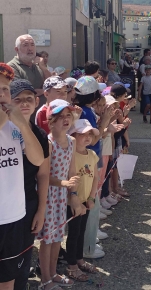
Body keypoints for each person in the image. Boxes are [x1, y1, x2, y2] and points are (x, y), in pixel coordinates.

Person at [0, 63, 44, 290]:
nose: (2, 95)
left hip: (13, 217)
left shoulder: (15, 127)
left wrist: (22, 126)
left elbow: (38, 161)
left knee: (7, 281)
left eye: (5, 89)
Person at [37, 99, 83, 290]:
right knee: (47, 239)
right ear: (51, 120)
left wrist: (73, 193)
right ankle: (45, 278)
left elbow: (72, 169)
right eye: (60, 116)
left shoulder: (71, 141)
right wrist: (63, 183)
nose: (66, 119)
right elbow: (44, 175)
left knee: (57, 237)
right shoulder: (48, 143)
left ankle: (54, 272)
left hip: (62, 196)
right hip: (48, 196)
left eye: (68, 116)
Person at [9, 79, 50, 290]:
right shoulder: (3, 133)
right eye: (18, 100)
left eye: (29, 99)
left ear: (36, 102)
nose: (24, 104)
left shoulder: (41, 135)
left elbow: (43, 175)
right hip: (5, 208)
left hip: (28, 204)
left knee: (24, 259)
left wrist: (41, 210)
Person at [74, 76, 112, 258]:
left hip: (89, 159)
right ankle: (88, 247)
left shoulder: (83, 110)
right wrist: (105, 120)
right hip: (88, 161)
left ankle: (90, 240)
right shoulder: (86, 112)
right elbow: (93, 138)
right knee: (91, 202)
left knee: (92, 201)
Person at [66, 119, 100, 281]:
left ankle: (79, 258)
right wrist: (75, 199)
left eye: (90, 134)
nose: (87, 138)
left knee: (81, 232)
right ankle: (71, 264)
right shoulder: (70, 155)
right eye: (82, 134)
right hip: (73, 202)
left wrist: (92, 197)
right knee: (73, 233)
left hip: (86, 200)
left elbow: (95, 178)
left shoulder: (92, 155)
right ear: (72, 136)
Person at [7, 34, 51, 99]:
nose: (30, 48)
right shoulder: (11, 67)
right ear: (17, 49)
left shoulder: (39, 65)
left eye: (32, 45)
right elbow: (22, 93)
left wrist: (44, 68)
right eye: (25, 45)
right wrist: (45, 91)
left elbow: (52, 85)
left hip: (43, 108)